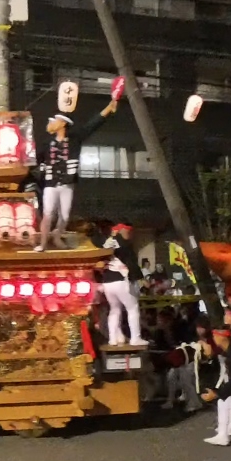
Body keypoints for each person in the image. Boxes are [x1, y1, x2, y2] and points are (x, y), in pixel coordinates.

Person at [33, 99, 119, 251]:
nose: (52, 123)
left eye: (55, 121)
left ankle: (57, 235)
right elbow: (34, 159)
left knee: (65, 216)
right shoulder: (47, 144)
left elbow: (91, 125)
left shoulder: (74, 139)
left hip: (67, 184)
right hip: (50, 184)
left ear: (62, 124)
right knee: (47, 213)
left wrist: (108, 109)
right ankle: (43, 243)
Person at [93, 222, 147, 346]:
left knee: (114, 309)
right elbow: (131, 262)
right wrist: (140, 278)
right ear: (122, 230)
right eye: (129, 232)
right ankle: (135, 338)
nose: (130, 235)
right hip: (122, 279)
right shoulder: (124, 243)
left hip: (107, 281)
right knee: (132, 308)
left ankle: (113, 339)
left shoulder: (104, 243)